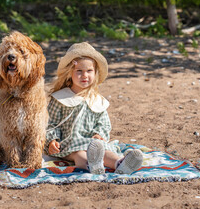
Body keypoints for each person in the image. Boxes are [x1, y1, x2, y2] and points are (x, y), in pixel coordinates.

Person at [45, 42, 143, 174]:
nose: (84, 75)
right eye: (79, 71)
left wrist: (99, 134)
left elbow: (103, 123)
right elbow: (50, 123)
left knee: (105, 151)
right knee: (79, 154)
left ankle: (120, 163)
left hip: (94, 143)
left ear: (95, 73)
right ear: (70, 73)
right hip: (69, 143)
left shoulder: (97, 100)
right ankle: (91, 166)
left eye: (89, 71)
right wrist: (52, 140)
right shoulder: (61, 98)